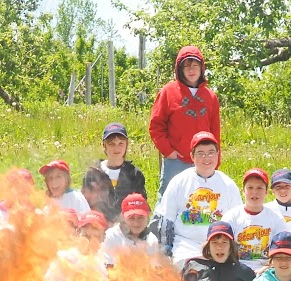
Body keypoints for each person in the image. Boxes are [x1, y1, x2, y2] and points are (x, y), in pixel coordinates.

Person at [150, 131, 242, 265]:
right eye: (201, 154)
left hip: (219, 247)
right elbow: (166, 222)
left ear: (217, 155)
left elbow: (237, 223)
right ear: (192, 156)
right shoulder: (179, 181)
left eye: (211, 153)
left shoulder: (228, 184)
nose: (207, 158)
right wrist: (166, 252)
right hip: (186, 246)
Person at [149, 46, 221, 199]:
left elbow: (215, 132)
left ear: (202, 68)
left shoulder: (211, 97)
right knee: (167, 198)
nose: (191, 70)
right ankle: (160, 225)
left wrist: (215, 159)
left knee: (201, 200)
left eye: (195, 65)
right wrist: (168, 151)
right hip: (176, 160)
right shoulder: (168, 92)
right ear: (179, 69)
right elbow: (156, 126)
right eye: (186, 65)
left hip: (204, 159)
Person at [221, 168, 288, 270]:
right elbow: (222, 247)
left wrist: (266, 268)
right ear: (243, 191)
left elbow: (282, 251)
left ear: (266, 192)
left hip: (267, 270)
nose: (254, 192)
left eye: (259, 188)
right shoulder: (231, 217)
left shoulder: (276, 218)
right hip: (236, 268)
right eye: (250, 187)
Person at [97, 122, 147, 208]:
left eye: (121, 143)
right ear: (104, 146)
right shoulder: (94, 172)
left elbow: (142, 205)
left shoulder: (134, 174)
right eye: (111, 144)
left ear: (127, 145)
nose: (116, 148)